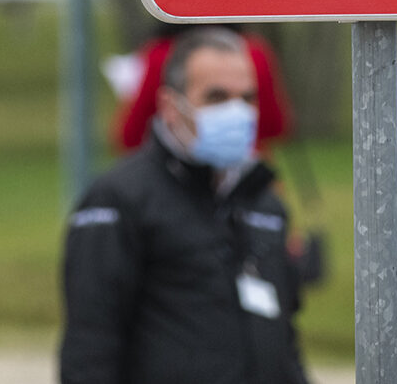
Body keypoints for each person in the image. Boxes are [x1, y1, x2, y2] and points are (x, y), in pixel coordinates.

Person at [60, 27, 307, 384]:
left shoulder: (263, 202)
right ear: (170, 107)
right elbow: (91, 342)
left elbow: (283, 340)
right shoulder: (120, 200)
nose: (237, 112)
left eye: (248, 98)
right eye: (217, 97)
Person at [112, 22, 294, 154]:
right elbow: (274, 126)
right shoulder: (253, 52)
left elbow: (131, 135)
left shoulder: (159, 54)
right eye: (216, 98)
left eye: (247, 98)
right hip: (248, 174)